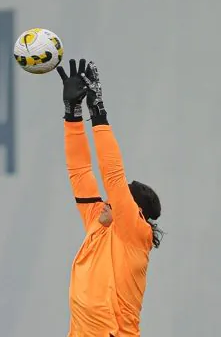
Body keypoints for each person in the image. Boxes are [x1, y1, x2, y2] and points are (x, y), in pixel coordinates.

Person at [56, 59, 163, 337]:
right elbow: (80, 171)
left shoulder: (134, 232)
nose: (107, 199)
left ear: (135, 211)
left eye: (117, 199)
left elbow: (112, 175)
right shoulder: (100, 222)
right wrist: (72, 114)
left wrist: (98, 110)